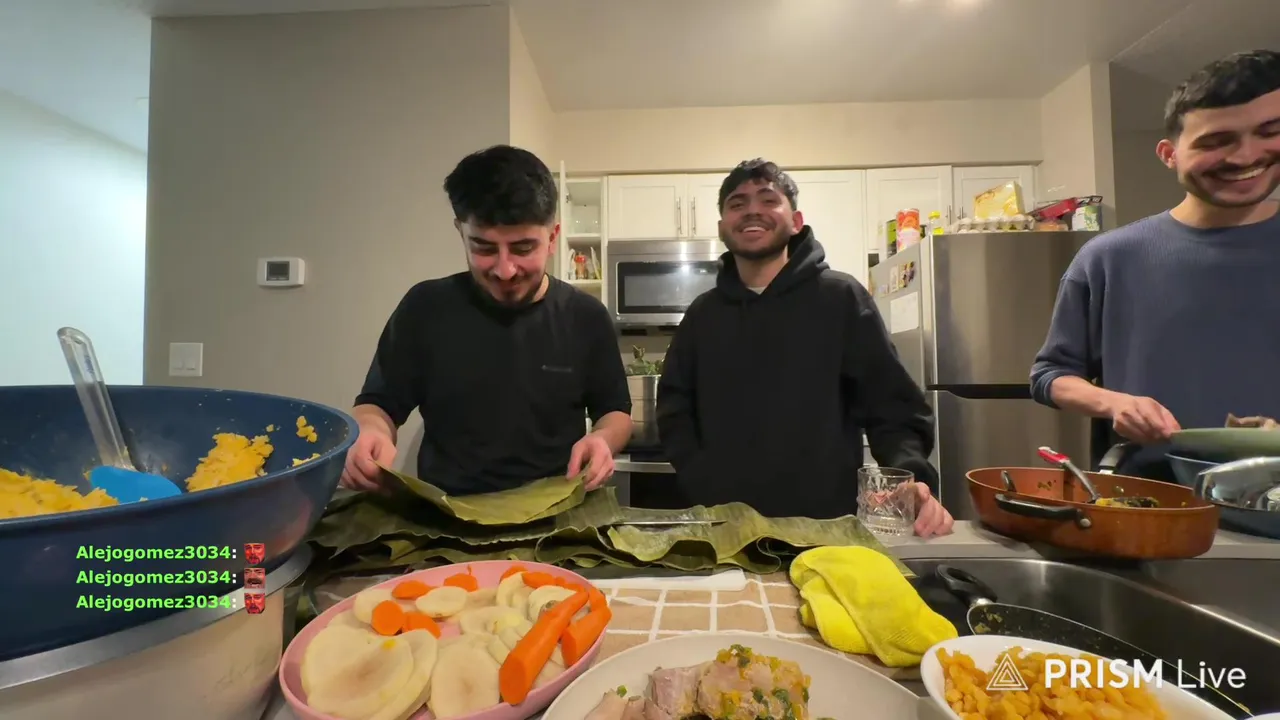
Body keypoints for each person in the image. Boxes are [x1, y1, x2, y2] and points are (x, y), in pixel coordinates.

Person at [655, 158, 953, 537]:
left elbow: (892, 408)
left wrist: (913, 477)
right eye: (737, 203)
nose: (752, 211)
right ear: (722, 227)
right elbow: (675, 411)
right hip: (724, 530)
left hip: (825, 527)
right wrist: (701, 480)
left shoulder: (841, 298)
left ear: (796, 221)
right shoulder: (703, 315)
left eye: (768, 200)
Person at [1031, 50, 1280, 480]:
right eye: (1216, 141)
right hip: (1152, 498)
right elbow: (1049, 376)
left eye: (1269, 132)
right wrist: (1116, 403)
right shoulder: (1109, 258)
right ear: (1169, 154)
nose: (1245, 156)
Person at [341, 145, 633, 494]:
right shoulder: (425, 307)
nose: (505, 270)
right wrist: (369, 432)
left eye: (523, 248)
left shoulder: (586, 316)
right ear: (460, 233)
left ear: (553, 238)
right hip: (447, 512)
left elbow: (615, 413)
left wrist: (602, 440)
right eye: (483, 247)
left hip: (556, 506)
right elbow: (378, 405)